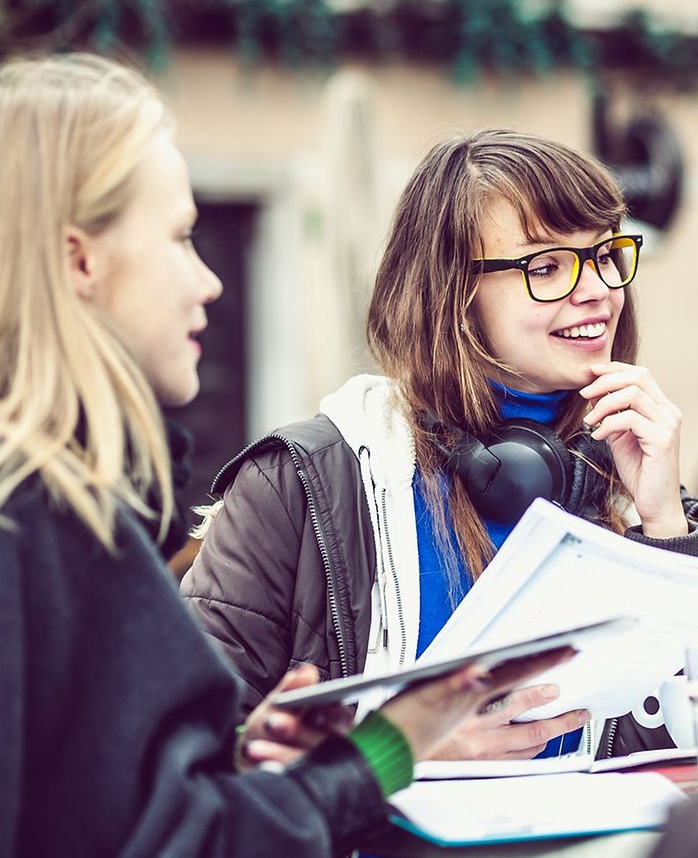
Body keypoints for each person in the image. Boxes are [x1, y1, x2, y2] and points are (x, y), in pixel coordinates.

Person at [0, 53, 568, 855]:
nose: (210, 283)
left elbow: (85, 810)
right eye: (181, 238)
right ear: (78, 260)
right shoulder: (43, 522)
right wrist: (390, 747)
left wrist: (229, 756)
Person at [181, 128, 698, 763]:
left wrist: (664, 528)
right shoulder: (300, 486)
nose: (598, 289)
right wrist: (398, 754)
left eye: (606, 256)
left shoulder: (618, 480)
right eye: (546, 265)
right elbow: (191, 758)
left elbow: (689, 754)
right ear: (454, 295)